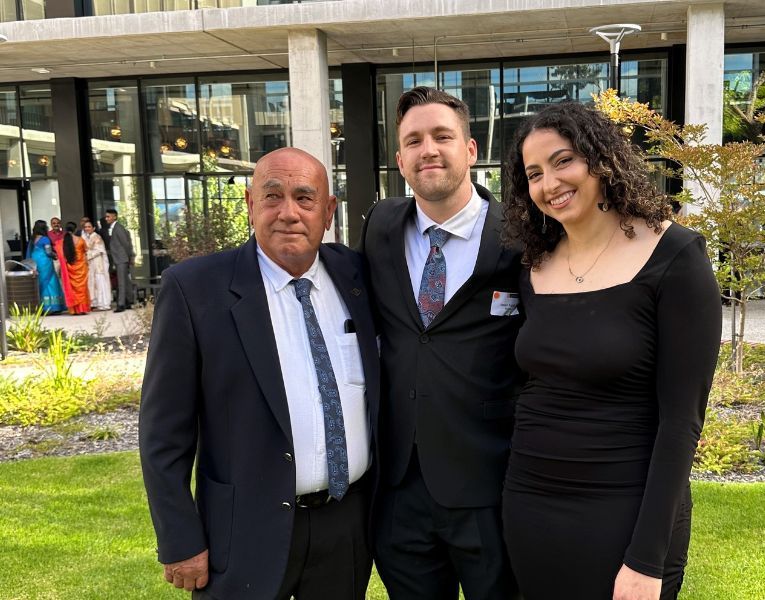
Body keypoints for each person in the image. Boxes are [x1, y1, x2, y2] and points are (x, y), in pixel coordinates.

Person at [500, 101, 722, 600]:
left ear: (600, 159)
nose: (550, 183)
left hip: (624, 510)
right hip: (529, 503)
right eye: (533, 173)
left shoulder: (675, 257)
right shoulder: (533, 266)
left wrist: (646, 558)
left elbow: (681, 422)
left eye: (562, 161)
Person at [140, 148, 380, 600]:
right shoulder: (194, 290)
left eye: (305, 198)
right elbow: (162, 434)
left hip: (346, 525)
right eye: (272, 196)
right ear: (250, 204)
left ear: (328, 213)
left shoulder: (358, 276)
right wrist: (179, 538)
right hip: (243, 529)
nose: (288, 212)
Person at [359, 87, 523, 600]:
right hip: (399, 488)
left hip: (487, 485)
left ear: (470, 150)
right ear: (400, 159)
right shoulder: (379, 227)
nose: (428, 149)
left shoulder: (519, 236)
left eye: (442, 136)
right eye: (414, 140)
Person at [26, 220, 65, 313]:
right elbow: (48, 252)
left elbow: (29, 253)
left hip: (35, 262)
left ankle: (42, 307)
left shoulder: (32, 240)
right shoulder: (45, 239)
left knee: (40, 282)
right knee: (51, 282)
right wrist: (56, 256)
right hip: (45, 263)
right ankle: (53, 307)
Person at [105, 208, 135, 312]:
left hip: (122, 258)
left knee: (121, 281)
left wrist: (130, 256)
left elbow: (126, 243)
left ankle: (121, 304)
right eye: (106, 216)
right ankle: (129, 301)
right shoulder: (113, 228)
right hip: (119, 258)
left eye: (108, 216)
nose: (106, 218)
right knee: (125, 280)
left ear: (114, 217)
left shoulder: (118, 228)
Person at [59, 222, 91, 315]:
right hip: (80, 267)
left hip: (69, 267)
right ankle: (82, 309)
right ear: (75, 229)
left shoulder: (61, 242)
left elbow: (60, 255)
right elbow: (86, 251)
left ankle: (73, 310)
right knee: (82, 288)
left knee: (72, 289)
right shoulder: (80, 240)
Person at [83, 219, 112, 311]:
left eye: (89, 227)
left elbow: (100, 250)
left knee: (100, 281)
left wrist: (87, 255)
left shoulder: (97, 237)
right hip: (91, 264)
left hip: (98, 262)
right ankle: (94, 302)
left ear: (94, 228)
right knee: (92, 282)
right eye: (85, 227)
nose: (87, 228)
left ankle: (104, 303)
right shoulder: (87, 237)